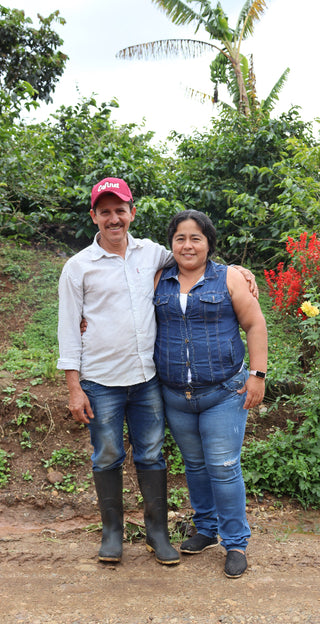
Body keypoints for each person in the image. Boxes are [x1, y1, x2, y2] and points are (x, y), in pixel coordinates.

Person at [58, 177, 257, 567]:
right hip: (100, 380)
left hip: (148, 379)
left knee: (151, 454)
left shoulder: (152, 254)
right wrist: (74, 387)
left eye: (120, 210)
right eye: (105, 212)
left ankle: (157, 534)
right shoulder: (77, 267)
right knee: (107, 455)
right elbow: (68, 327)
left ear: (132, 213)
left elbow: (197, 257)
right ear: (94, 216)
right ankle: (112, 534)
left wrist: (236, 268)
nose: (113, 219)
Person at [153, 209, 268, 579]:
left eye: (196, 238)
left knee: (222, 466)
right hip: (175, 396)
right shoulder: (159, 278)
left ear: (208, 243)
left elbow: (254, 323)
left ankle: (236, 542)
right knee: (196, 466)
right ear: (171, 244)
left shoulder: (230, 277)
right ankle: (206, 528)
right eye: (180, 238)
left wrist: (257, 375)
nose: (188, 245)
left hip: (224, 391)